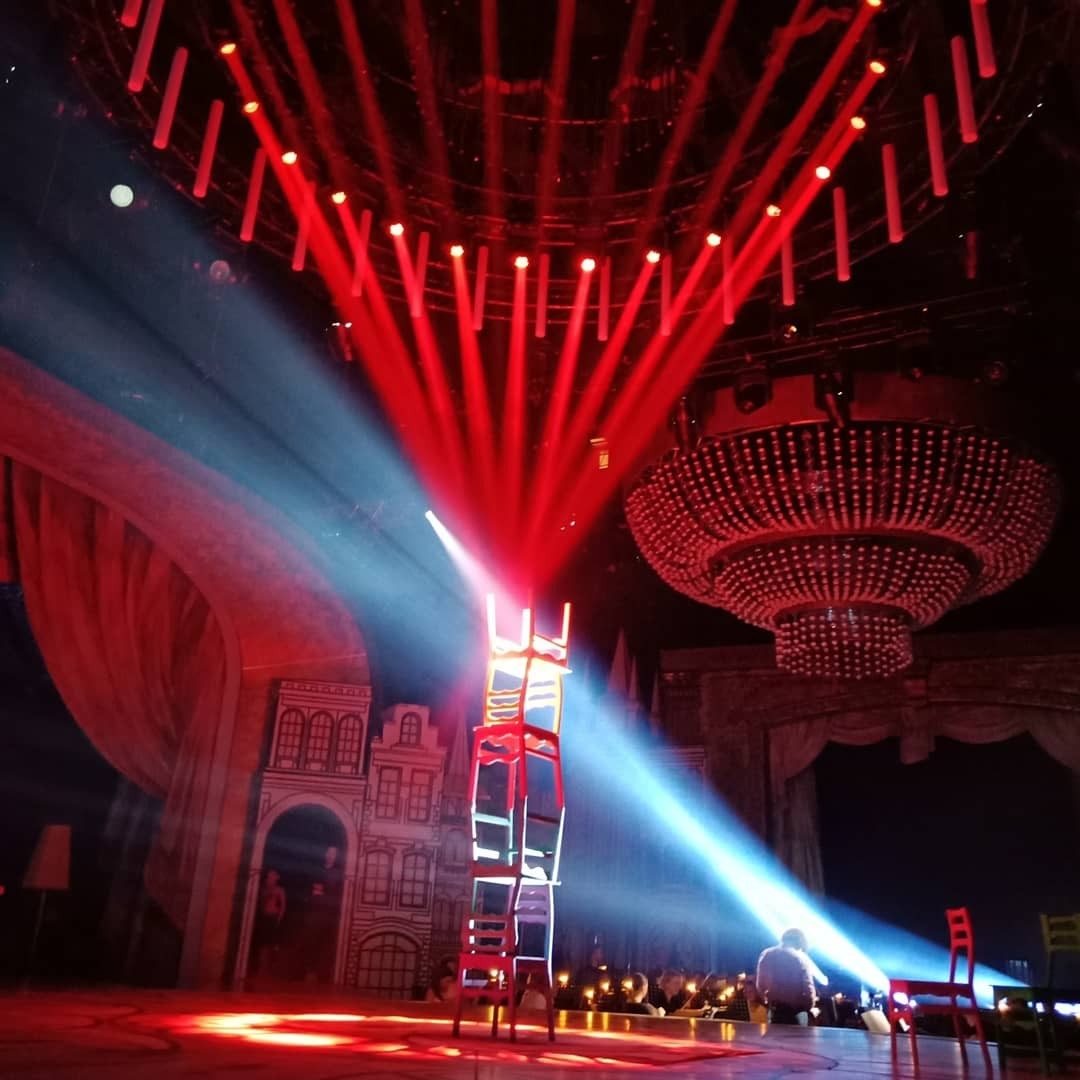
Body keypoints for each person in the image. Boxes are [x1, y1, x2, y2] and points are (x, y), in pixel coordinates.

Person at [756, 928, 817, 1025]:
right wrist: (809, 1006)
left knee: (775, 1034)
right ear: (799, 942)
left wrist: (767, 1001)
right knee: (798, 1034)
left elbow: (760, 984)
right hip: (796, 1012)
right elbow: (808, 988)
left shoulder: (767, 954)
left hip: (775, 1010)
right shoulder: (800, 958)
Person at [251, 868, 286, 976]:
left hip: (273, 917)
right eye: (269, 876)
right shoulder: (263, 888)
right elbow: (259, 902)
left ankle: (270, 965)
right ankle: (261, 966)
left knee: (271, 942)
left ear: (277, 877)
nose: (270, 878)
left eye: (273, 876)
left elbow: (283, 905)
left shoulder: (279, 889)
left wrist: (279, 918)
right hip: (264, 917)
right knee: (262, 942)